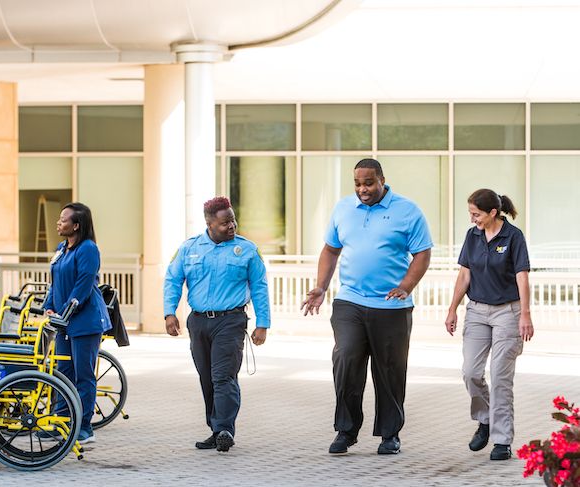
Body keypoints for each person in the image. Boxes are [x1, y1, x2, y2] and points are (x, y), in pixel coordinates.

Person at [301, 158, 432, 455]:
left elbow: (422, 254)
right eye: (358, 184)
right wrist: (321, 286)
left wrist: (406, 286)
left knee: (390, 371)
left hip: (392, 307)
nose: (363, 189)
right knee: (346, 360)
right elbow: (330, 250)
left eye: (369, 183)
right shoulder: (343, 209)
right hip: (350, 301)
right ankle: (346, 431)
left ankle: (390, 435)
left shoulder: (407, 211)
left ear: (382, 180)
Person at [163, 196, 270, 453]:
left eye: (232, 220)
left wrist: (262, 323)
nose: (231, 226)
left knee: (223, 376)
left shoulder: (247, 249)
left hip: (231, 321)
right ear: (209, 224)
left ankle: (224, 429)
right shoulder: (189, 248)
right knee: (207, 378)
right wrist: (170, 313)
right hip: (198, 322)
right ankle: (215, 428)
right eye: (224, 223)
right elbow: (173, 279)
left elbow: (259, 287)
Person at [444, 189, 533, 461]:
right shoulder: (472, 236)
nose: (473, 219)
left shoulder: (513, 236)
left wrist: (525, 314)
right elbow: (464, 275)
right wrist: (452, 309)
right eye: (471, 214)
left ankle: (502, 440)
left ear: (493, 212)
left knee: (500, 377)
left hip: (508, 311)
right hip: (477, 311)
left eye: (476, 214)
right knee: (470, 372)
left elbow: (522, 277)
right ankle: (485, 418)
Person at [42, 202, 112, 444]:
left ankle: (83, 427)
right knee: (63, 373)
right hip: (63, 322)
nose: (58, 223)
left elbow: (82, 286)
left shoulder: (88, 249)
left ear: (76, 225)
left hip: (85, 322)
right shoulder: (62, 248)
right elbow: (54, 282)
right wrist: (49, 306)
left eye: (63, 219)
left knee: (83, 375)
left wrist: (64, 311)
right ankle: (61, 423)